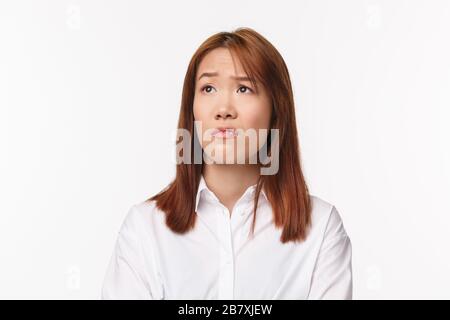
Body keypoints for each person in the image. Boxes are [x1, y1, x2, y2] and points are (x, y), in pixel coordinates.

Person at [101, 27, 352, 300]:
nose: (223, 109)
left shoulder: (321, 227)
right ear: (191, 108)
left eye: (244, 88)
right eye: (208, 88)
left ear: (275, 110)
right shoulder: (145, 228)